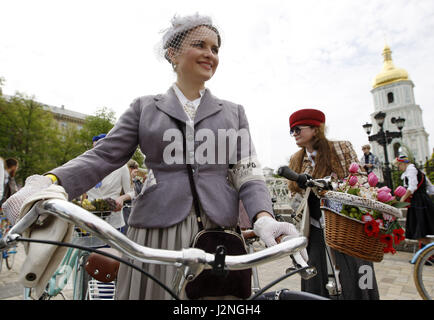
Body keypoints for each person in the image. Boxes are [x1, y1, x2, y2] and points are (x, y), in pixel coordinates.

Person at [2, 13, 301, 300]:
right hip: (156, 232)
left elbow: (248, 173)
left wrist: (264, 218)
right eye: (199, 45)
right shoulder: (144, 108)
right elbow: (104, 156)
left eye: (215, 48)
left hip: (217, 231)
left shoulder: (234, 112)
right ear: (173, 53)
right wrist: (49, 181)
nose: (210, 54)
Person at [287, 108, 380, 300]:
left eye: (298, 129)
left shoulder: (340, 147)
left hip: (344, 224)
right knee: (313, 275)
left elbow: (360, 180)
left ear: (315, 129)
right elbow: (292, 195)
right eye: (292, 131)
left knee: (357, 272)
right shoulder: (296, 159)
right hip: (315, 227)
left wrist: (333, 186)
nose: (294, 134)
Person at [83, 134, 134, 231]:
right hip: (91, 220)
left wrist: (122, 198)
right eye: (94, 148)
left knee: (110, 247)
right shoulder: (87, 166)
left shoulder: (121, 166)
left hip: (113, 221)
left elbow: (132, 192)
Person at [393, 155, 434, 248]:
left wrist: (402, 199)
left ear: (403, 163)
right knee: (420, 232)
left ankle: (429, 252)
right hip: (422, 202)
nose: (398, 168)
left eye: (398, 165)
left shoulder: (411, 170)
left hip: (419, 203)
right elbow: (430, 189)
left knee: (418, 232)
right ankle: (427, 254)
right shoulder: (418, 171)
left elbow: (412, 187)